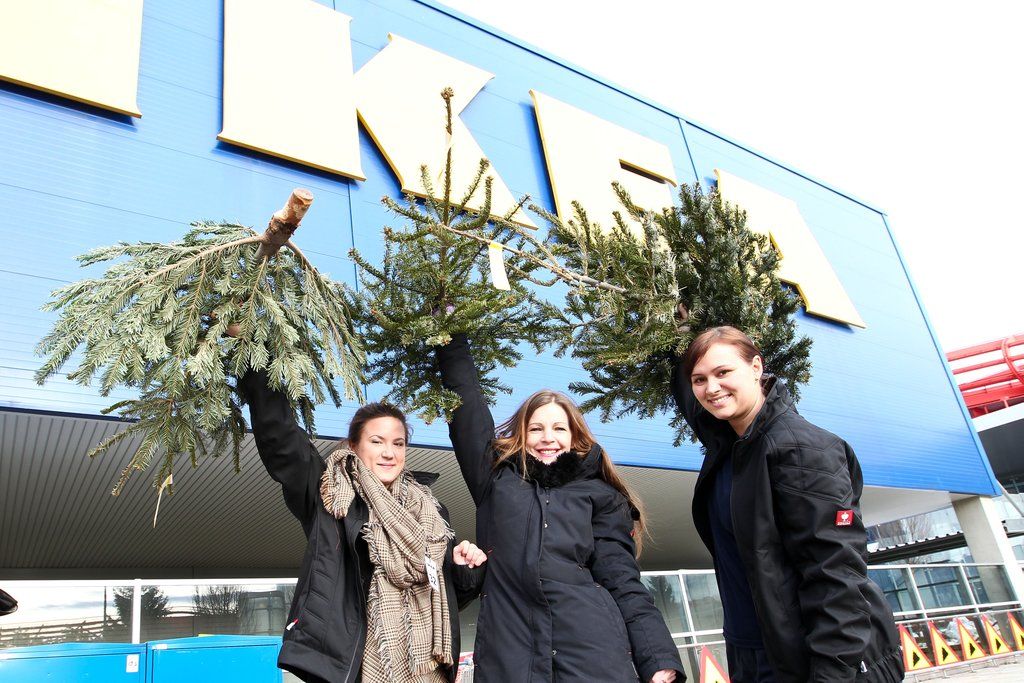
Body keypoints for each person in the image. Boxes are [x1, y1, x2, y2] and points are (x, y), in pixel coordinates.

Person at [436, 333, 684, 683]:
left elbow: (621, 579)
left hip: (593, 655)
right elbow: (468, 412)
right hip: (510, 658)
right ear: (521, 435)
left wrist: (657, 658)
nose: (547, 437)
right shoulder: (496, 480)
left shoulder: (601, 495)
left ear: (574, 436)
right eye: (536, 428)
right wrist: (448, 331)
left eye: (558, 428)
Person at [671, 326, 903, 683]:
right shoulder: (729, 447)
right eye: (699, 379)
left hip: (812, 658)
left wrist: (830, 675)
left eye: (723, 372)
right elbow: (688, 392)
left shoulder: (803, 450)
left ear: (756, 367)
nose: (711, 388)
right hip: (750, 651)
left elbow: (836, 574)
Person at [240, 368, 486, 683]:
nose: (389, 453)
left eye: (398, 443)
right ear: (355, 446)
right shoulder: (331, 494)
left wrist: (465, 572)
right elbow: (282, 442)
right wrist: (257, 362)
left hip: (431, 672)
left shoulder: (432, 512)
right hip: (364, 670)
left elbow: (445, 601)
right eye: (377, 441)